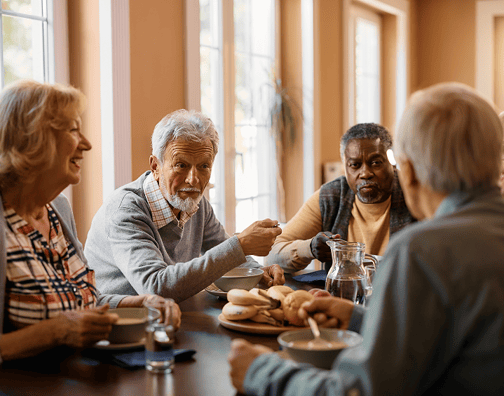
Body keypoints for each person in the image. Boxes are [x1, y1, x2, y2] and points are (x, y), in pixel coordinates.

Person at [228, 82, 504, 395]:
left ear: (407, 171)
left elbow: (360, 391)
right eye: (355, 165)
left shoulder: (420, 252)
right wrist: (360, 318)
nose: (365, 173)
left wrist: (262, 373)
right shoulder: (335, 198)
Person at [0, 80, 181, 362]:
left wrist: (141, 302)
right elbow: (65, 323)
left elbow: (81, 302)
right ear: (33, 139)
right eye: (73, 130)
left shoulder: (57, 209)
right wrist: (57, 332)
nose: (87, 144)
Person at [85, 109, 284, 303]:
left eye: (203, 166)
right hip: (120, 326)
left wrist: (257, 271)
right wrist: (240, 245)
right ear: (155, 167)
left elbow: (223, 252)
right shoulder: (125, 210)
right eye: (181, 165)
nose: (193, 179)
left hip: (172, 317)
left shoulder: (196, 204)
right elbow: (156, 287)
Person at [265, 123, 414, 272]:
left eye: (375, 163)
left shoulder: (415, 193)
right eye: (355, 165)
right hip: (341, 294)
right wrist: (309, 248)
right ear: (345, 168)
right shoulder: (331, 197)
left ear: (392, 163)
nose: (365, 173)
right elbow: (271, 255)